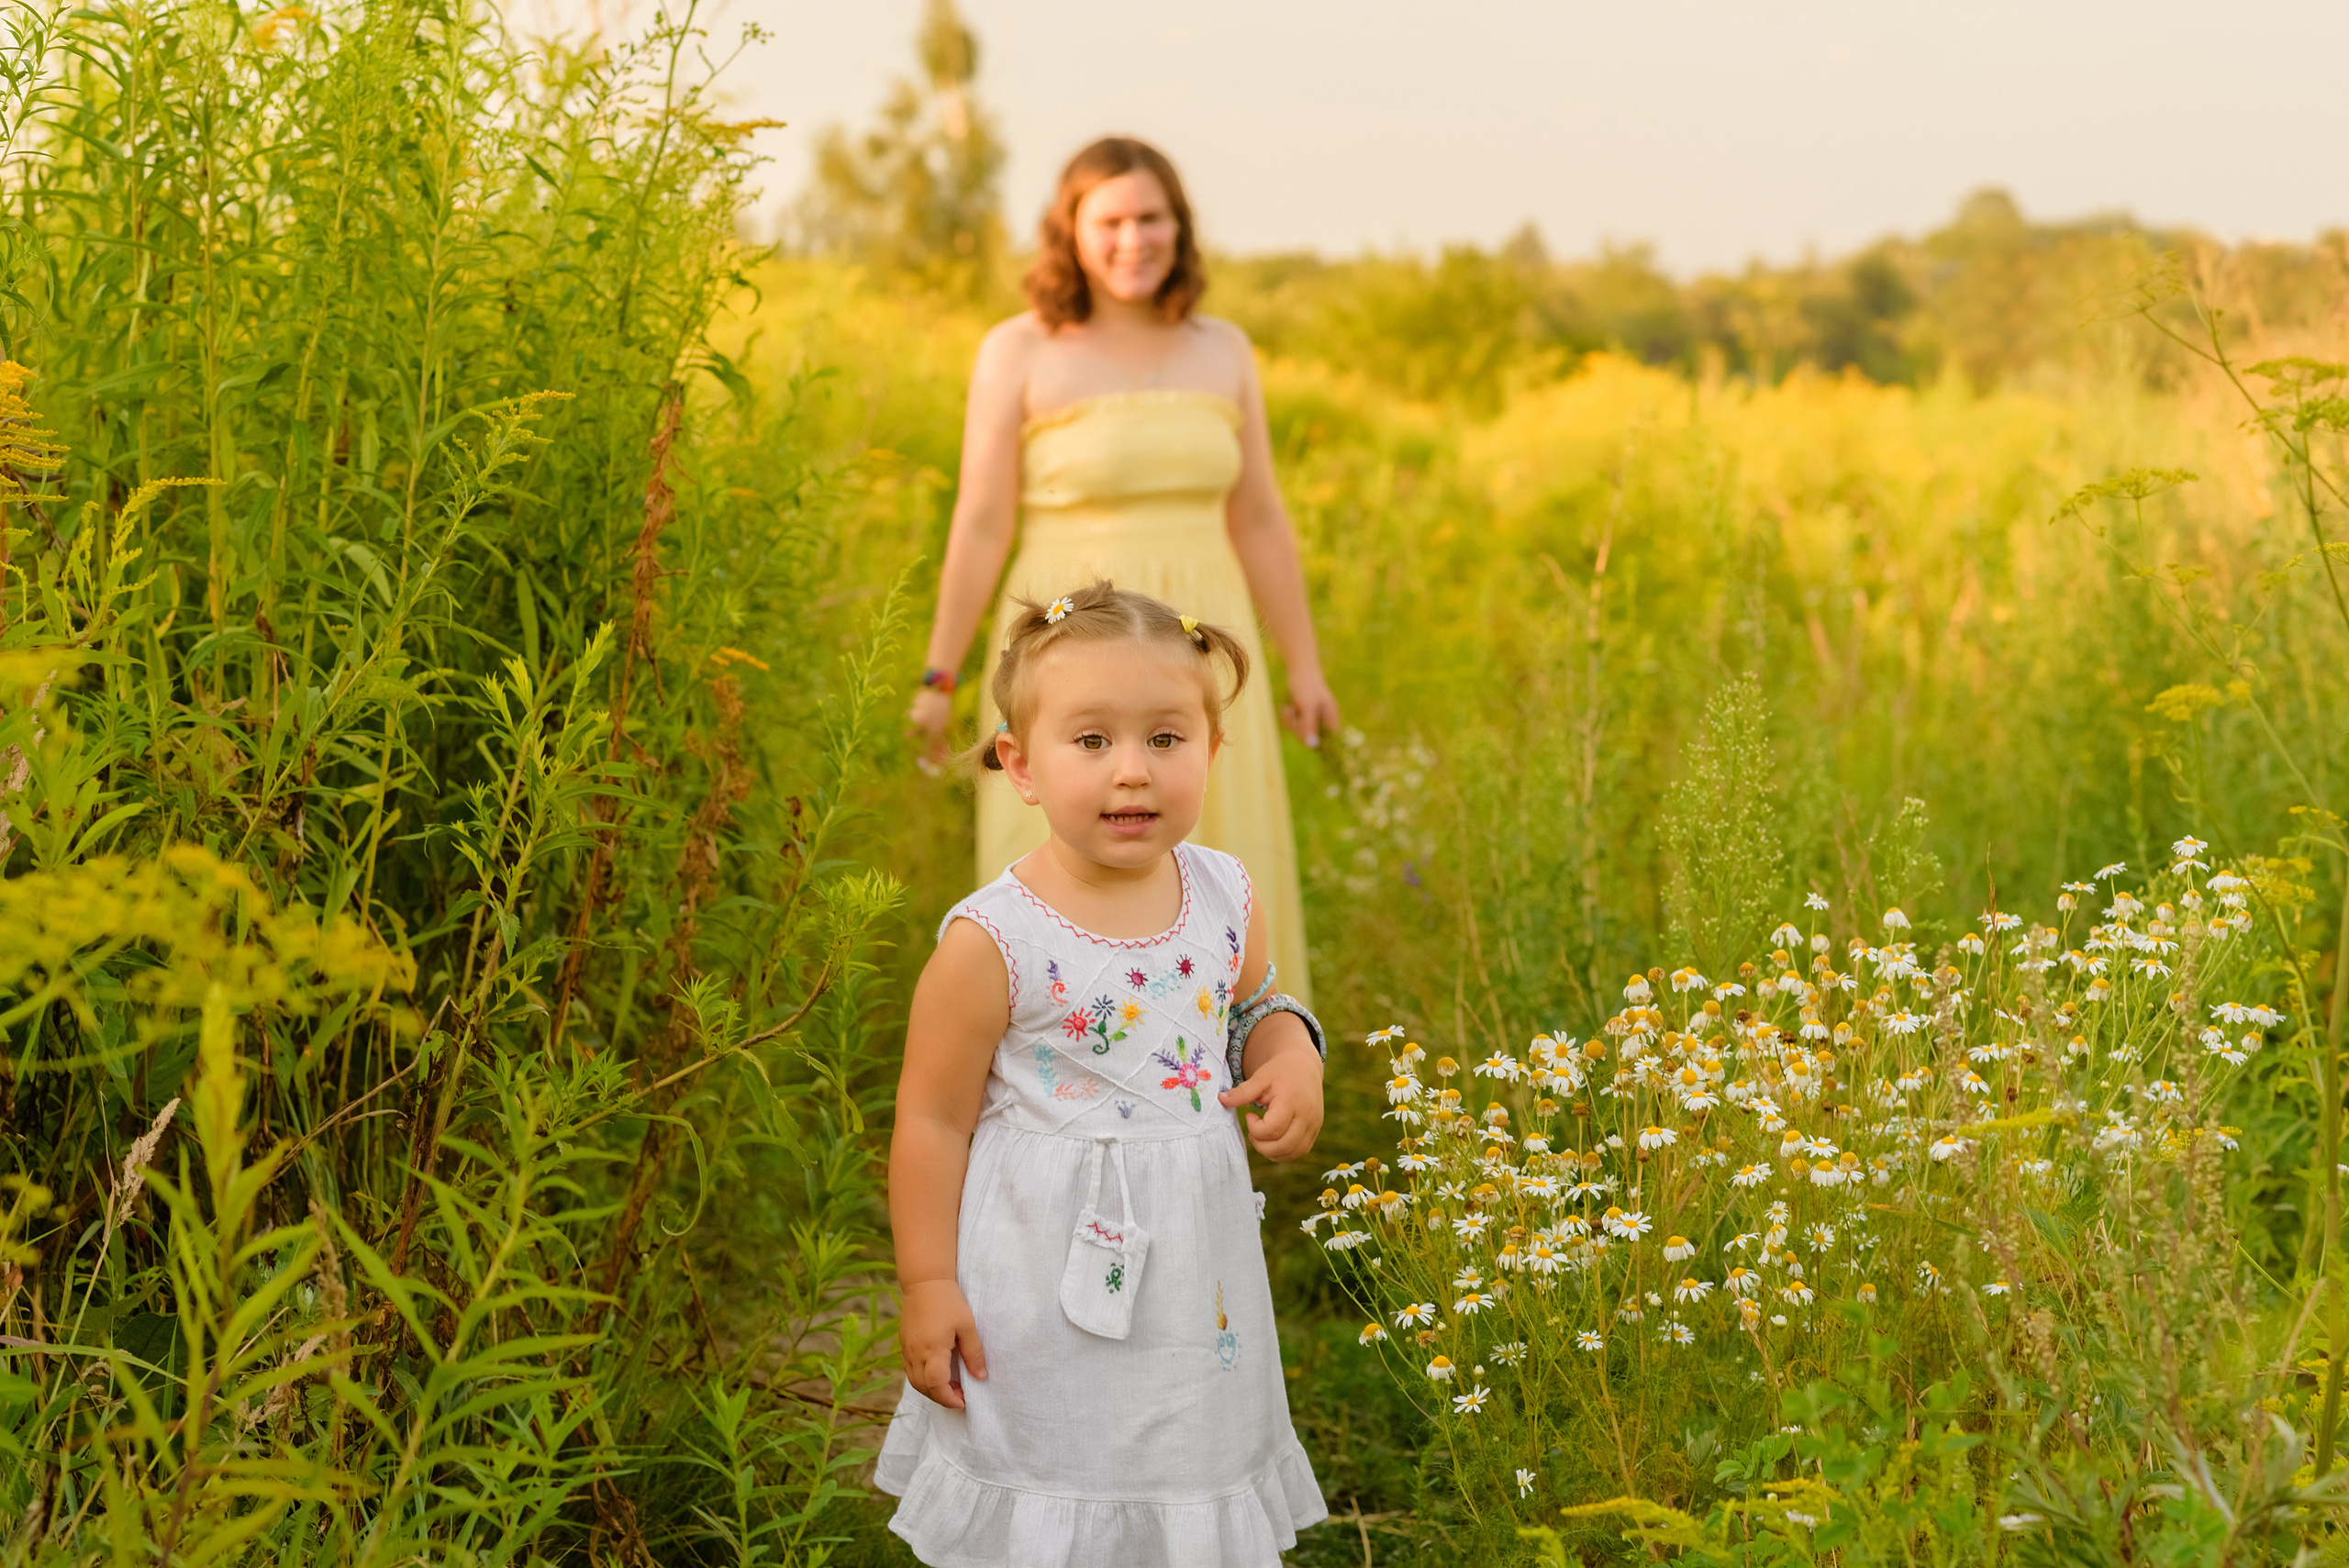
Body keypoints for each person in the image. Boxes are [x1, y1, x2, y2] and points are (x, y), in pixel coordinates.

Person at [876, 583, 1330, 1565]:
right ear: (1019, 763)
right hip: (1035, 1277)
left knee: (1183, 1454)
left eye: (1165, 738)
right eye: (1091, 742)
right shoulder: (991, 938)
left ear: (1211, 749)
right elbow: (930, 1120)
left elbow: (1253, 1007)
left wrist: (1290, 1052)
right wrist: (926, 1280)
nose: (1132, 771)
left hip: (1192, 1266)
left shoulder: (1222, 892)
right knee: (1055, 1465)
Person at [907, 136, 1336, 1007]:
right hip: (1072, 647)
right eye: (1109, 221)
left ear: (1179, 227)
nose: (1132, 240)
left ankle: (1227, 1082)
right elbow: (983, 522)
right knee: (1067, 867)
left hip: (1205, 641)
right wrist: (938, 674)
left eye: (1150, 218)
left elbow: (1258, 517)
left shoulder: (1225, 349)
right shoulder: (1019, 350)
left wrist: (1306, 665)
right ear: (1069, 231)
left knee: (1220, 849)